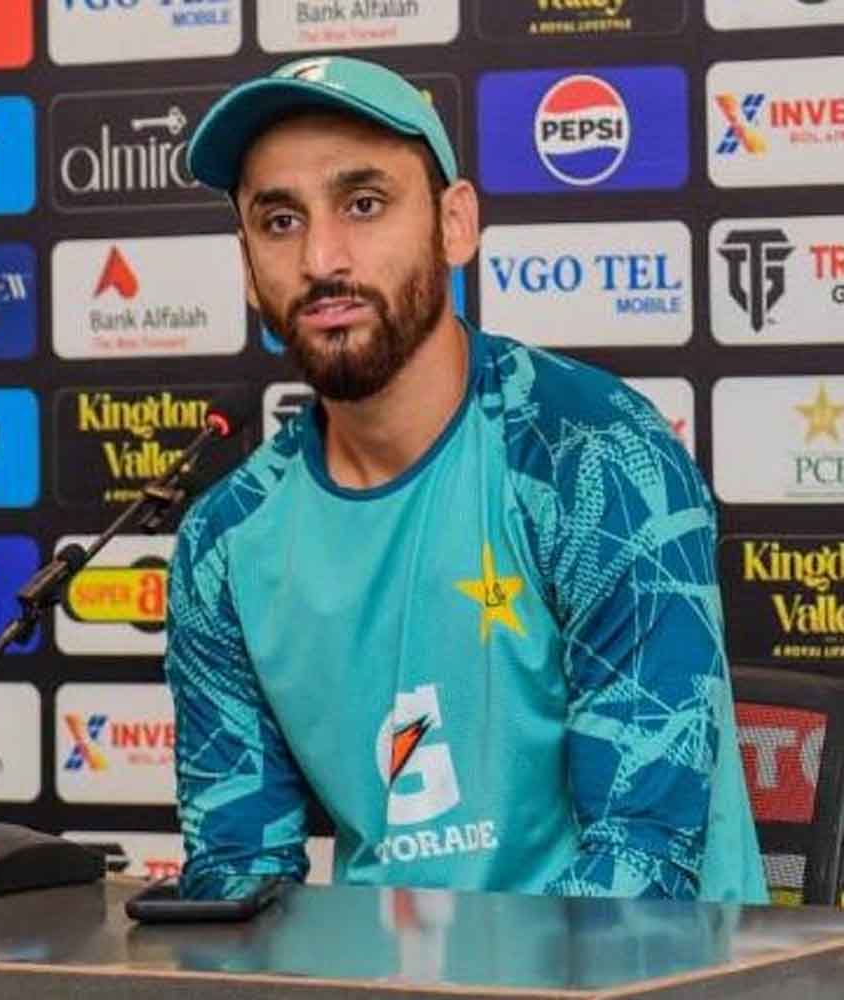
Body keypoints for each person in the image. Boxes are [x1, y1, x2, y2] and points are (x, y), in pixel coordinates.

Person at [165, 55, 768, 904]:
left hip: (652, 966)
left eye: (363, 204)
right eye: (280, 220)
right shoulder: (225, 544)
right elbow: (238, 876)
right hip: (381, 967)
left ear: (455, 225)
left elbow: (642, 866)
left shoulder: (592, 455)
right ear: (246, 262)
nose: (321, 257)